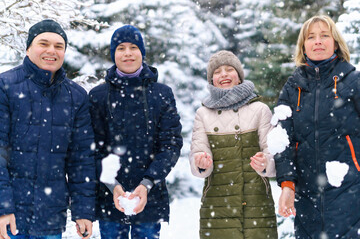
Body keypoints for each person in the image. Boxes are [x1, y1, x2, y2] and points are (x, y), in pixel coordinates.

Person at [0, 19, 96, 239]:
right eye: (44, 43)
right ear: (28, 48)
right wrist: (3, 207)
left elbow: (81, 159)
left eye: (58, 46)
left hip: (50, 220)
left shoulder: (76, 96)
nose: (51, 50)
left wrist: (83, 211)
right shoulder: (5, 87)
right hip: (9, 219)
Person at [89, 25, 183, 239]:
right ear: (114, 53)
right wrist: (113, 185)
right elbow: (93, 147)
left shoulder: (162, 94)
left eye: (133, 47)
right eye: (121, 48)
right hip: (110, 198)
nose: (128, 53)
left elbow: (170, 144)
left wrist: (147, 183)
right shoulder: (98, 96)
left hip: (150, 197)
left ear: (142, 52)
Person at [275, 15, 360, 238]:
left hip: (350, 191)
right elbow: (282, 139)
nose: (318, 41)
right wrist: (287, 184)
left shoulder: (353, 82)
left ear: (335, 42)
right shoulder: (293, 87)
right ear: (303, 46)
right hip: (307, 196)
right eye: (311, 37)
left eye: (324, 35)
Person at [189, 50, 278, 239]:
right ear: (212, 80)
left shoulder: (259, 109)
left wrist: (266, 163)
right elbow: (198, 152)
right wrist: (201, 163)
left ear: (239, 76)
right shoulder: (203, 114)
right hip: (218, 204)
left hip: (256, 202)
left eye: (229, 69)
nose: (223, 74)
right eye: (217, 71)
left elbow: (273, 152)